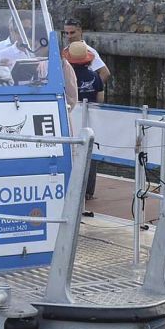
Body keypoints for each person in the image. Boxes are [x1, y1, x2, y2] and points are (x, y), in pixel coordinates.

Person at [64, 41, 105, 207]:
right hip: (91, 120)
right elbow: (101, 98)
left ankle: (72, 187)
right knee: (91, 154)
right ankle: (89, 191)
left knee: (72, 153)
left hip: (73, 119)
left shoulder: (67, 76)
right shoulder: (95, 76)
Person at [61, 18, 111, 86]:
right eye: (66, 33)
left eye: (72, 32)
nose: (69, 36)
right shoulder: (65, 50)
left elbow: (105, 73)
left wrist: (91, 89)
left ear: (80, 31)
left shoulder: (89, 51)